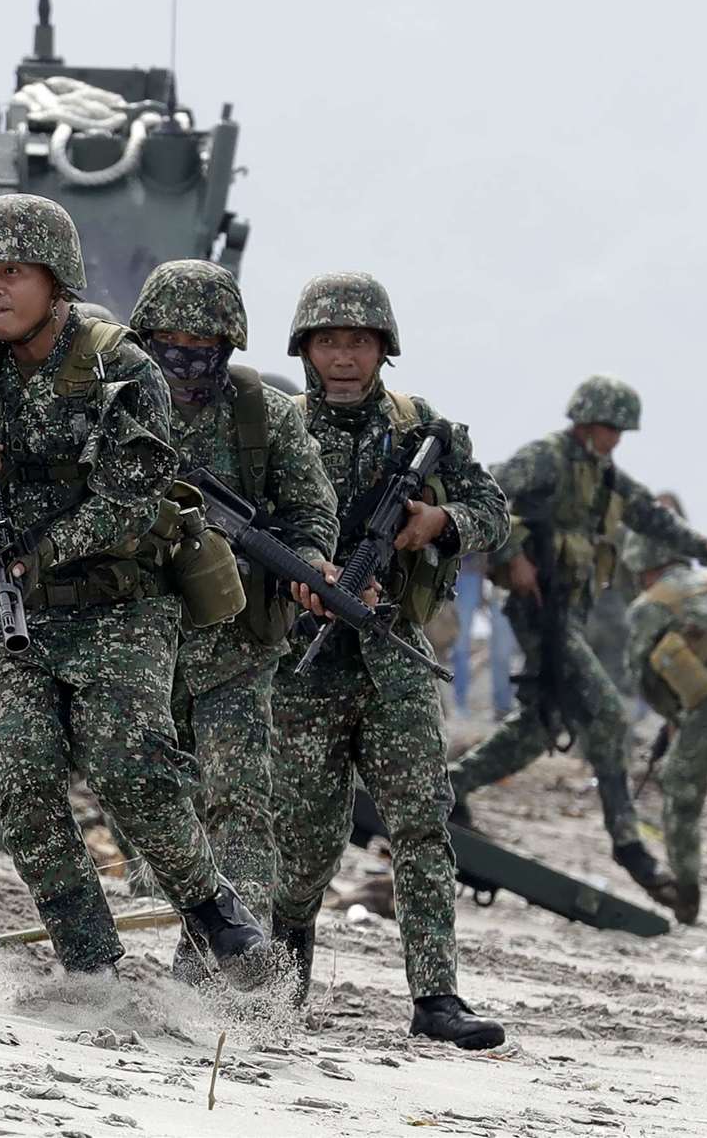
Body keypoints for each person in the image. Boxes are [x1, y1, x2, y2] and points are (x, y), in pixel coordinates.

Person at [0, 195, 270, 988]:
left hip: (121, 605)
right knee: (15, 782)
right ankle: (90, 963)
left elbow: (132, 496)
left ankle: (211, 908)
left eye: (11, 273)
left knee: (132, 769)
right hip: (17, 614)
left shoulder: (119, 365)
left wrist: (40, 552)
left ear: (56, 282)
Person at [266, 271, 509, 1049]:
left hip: (394, 653)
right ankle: (281, 986)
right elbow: (246, 531)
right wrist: (300, 576)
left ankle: (436, 997)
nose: (344, 356)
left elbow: (493, 512)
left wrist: (440, 521)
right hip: (302, 659)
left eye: (359, 342)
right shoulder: (275, 426)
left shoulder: (421, 427)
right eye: (329, 342)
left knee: (422, 824)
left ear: (383, 349)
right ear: (305, 349)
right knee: (303, 836)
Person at [444, 376, 707, 910]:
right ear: (586, 421)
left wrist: (704, 546)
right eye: (611, 428)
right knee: (608, 715)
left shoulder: (604, 476)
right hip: (539, 611)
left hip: (570, 614)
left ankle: (449, 788)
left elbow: (648, 513)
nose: (616, 439)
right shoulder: (546, 458)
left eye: (621, 431)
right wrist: (511, 554)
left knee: (540, 727)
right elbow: (487, 492)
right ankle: (629, 846)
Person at [127, 259, 339, 974]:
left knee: (240, 804)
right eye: (172, 342)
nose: (187, 357)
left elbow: (311, 511)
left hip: (235, 649)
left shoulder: (264, 415)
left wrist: (309, 565)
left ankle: (228, 969)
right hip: (129, 647)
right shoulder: (111, 403)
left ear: (229, 344)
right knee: (152, 807)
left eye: (204, 344)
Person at [622, 529, 707, 927]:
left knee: (680, 788)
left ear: (643, 567)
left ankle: (686, 896)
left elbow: (642, 677)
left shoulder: (649, 605)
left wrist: (676, 716)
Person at [450, 563, 516, 718]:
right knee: (460, 645)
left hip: (479, 577)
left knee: (498, 649)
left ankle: (501, 704)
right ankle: (460, 702)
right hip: (463, 575)